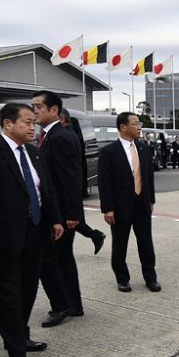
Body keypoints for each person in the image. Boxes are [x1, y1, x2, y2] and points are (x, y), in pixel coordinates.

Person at [0, 103, 64, 357]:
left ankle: (21, 336)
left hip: (35, 231)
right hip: (5, 236)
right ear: (8, 124)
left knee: (28, 288)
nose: (33, 127)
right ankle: (15, 351)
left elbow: (46, 189)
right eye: (27, 122)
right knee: (9, 294)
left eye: (34, 122)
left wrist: (55, 218)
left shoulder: (33, 152)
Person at [32, 90, 84, 328]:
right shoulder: (52, 135)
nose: (34, 111)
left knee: (47, 260)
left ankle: (61, 305)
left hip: (61, 213)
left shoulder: (60, 137)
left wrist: (71, 215)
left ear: (54, 110)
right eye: (33, 107)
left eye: (38, 107)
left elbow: (70, 178)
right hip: (62, 212)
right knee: (63, 259)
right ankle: (74, 304)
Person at [98, 112, 161, 293]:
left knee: (146, 243)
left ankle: (151, 278)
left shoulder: (144, 149)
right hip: (119, 207)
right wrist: (108, 208)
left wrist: (151, 200)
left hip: (142, 204)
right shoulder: (108, 152)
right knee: (120, 244)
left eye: (139, 123)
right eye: (135, 123)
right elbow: (105, 183)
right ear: (123, 127)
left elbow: (148, 178)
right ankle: (122, 279)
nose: (139, 127)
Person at [59, 108, 106, 255]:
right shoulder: (71, 134)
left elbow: (70, 171)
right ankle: (96, 236)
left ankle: (96, 235)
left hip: (70, 190)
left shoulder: (65, 137)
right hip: (73, 190)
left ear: (62, 119)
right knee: (75, 221)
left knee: (71, 221)